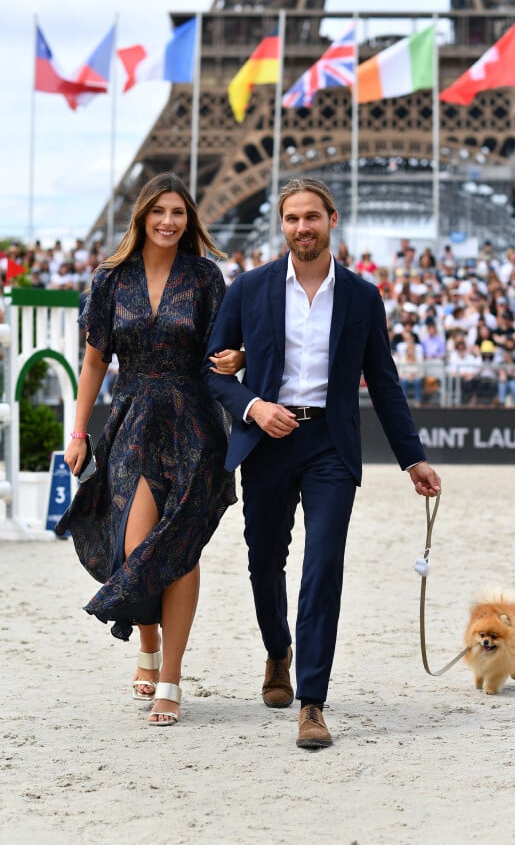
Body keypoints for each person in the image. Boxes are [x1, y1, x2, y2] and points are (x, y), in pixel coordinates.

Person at [204, 177, 441, 750]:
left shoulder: (362, 296)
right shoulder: (250, 289)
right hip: (265, 439)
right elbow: (210, 371)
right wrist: (255, 406)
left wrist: (414, 459)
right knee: (265, 560)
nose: (302, 228)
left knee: (324, 565)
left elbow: (383, 384)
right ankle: (278, 651)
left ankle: (312, 700)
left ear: (332, 219)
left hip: (330, 444)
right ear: (281, 225)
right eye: (292, 219)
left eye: (312, 217)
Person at [55, 173, 237, 726]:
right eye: (159, 211)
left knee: (180, 549)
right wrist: (79, 431)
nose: (168, 221)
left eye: (178, 212)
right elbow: (94, 362)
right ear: (142, 216)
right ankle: (149, 640)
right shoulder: (112, 280)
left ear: (190, 220)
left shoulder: (206, 277)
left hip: (195, 425)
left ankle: (173, 678)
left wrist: (238, 361)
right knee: (140, 548)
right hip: (133, 419)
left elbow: (226, 350)